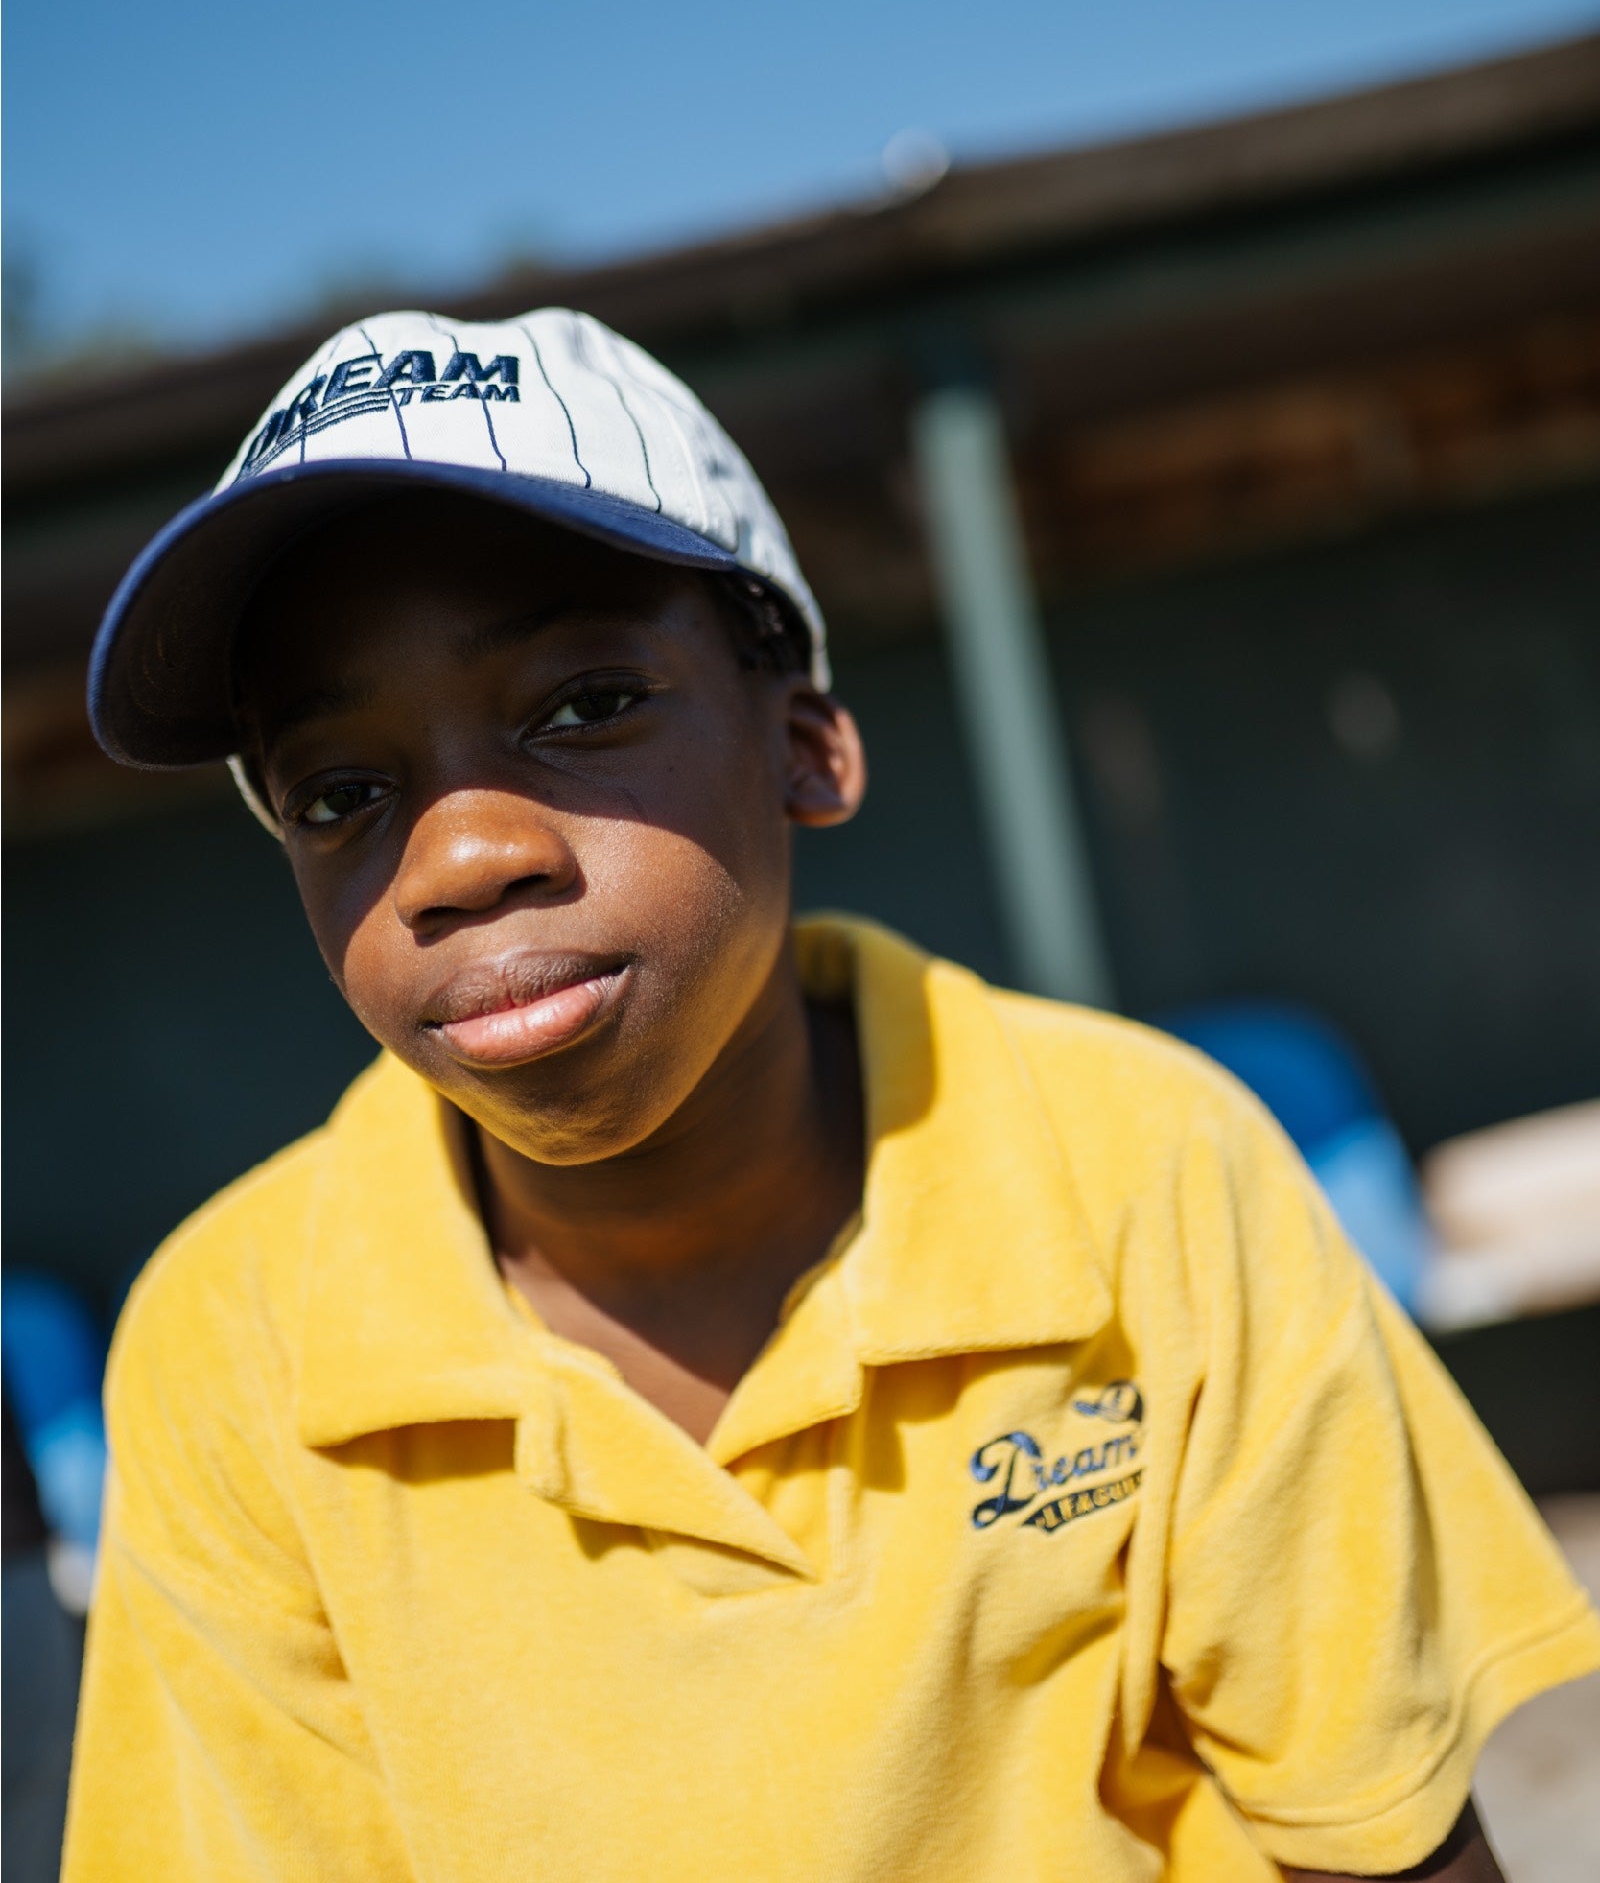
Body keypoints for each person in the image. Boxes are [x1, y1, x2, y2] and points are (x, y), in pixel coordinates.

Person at [65, 309, 1599, 1882]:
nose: (461, 859)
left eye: (583, 704)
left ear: (806, 747)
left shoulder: (1146, 1171)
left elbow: (1382, 1845)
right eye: (342, 793)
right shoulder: (235, 1345)